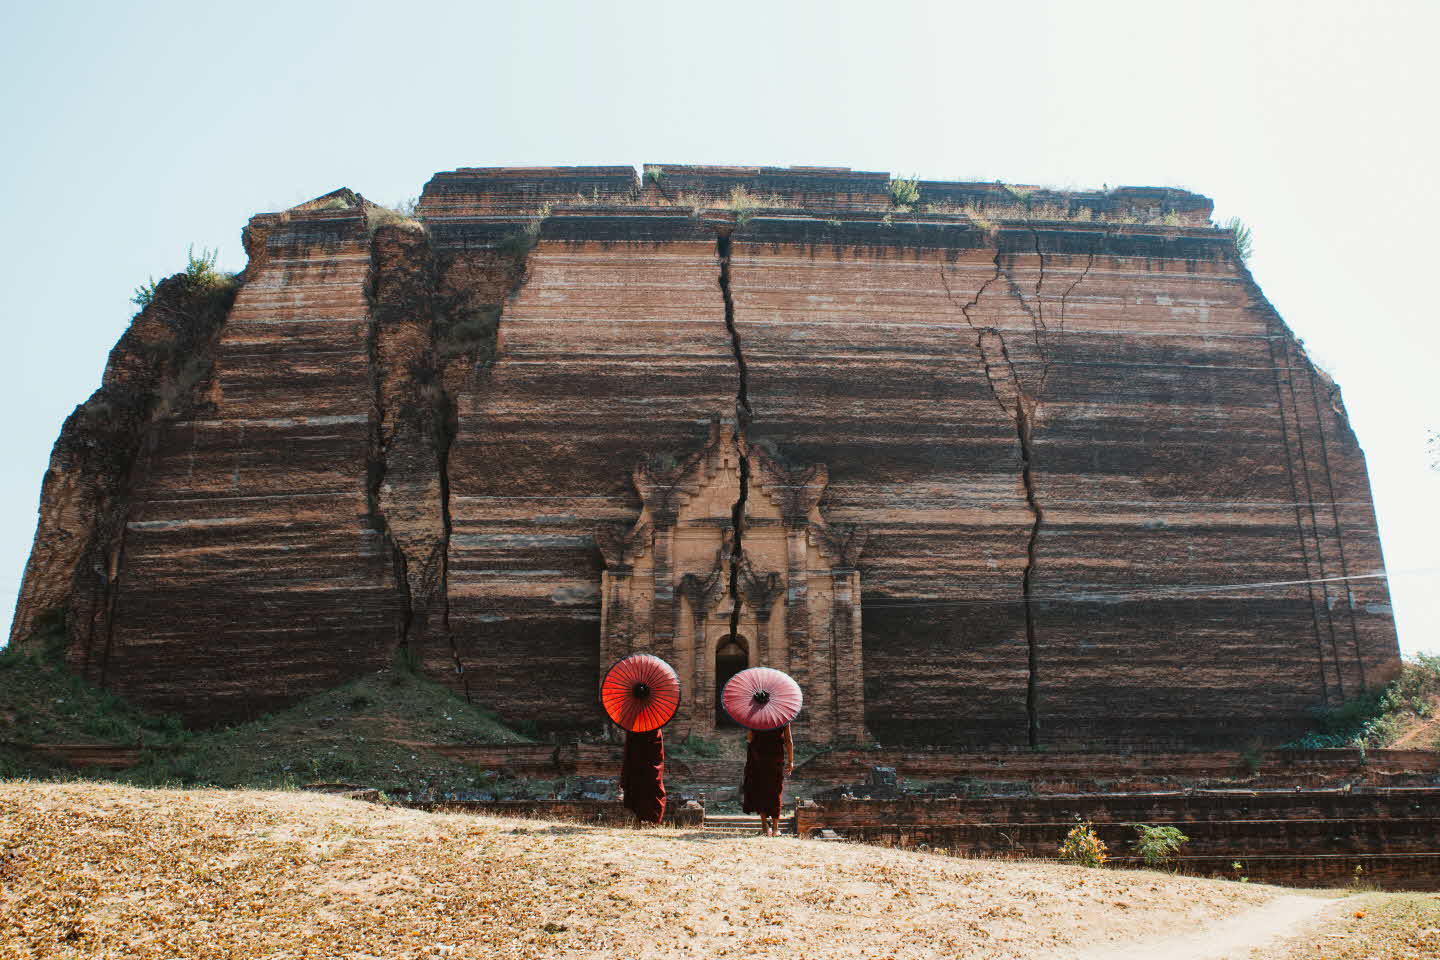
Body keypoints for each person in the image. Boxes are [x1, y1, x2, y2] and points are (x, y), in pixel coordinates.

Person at [740, 724, 793, 836]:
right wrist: (791, 761)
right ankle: (775, 828)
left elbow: (750, 738)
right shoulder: (782, 718)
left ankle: (765, 827)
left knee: (760, 790)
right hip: (775, 757)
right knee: (775, 791)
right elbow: (789, 741)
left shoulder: (756, 718)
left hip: (758, 758)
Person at [620, 728, 666, 825]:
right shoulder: (636, 728)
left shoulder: (636, 727)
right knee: (644, 789)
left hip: (644, 766)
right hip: (641, 767)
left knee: (645, 789)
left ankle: (649, 821)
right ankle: (644, 820)